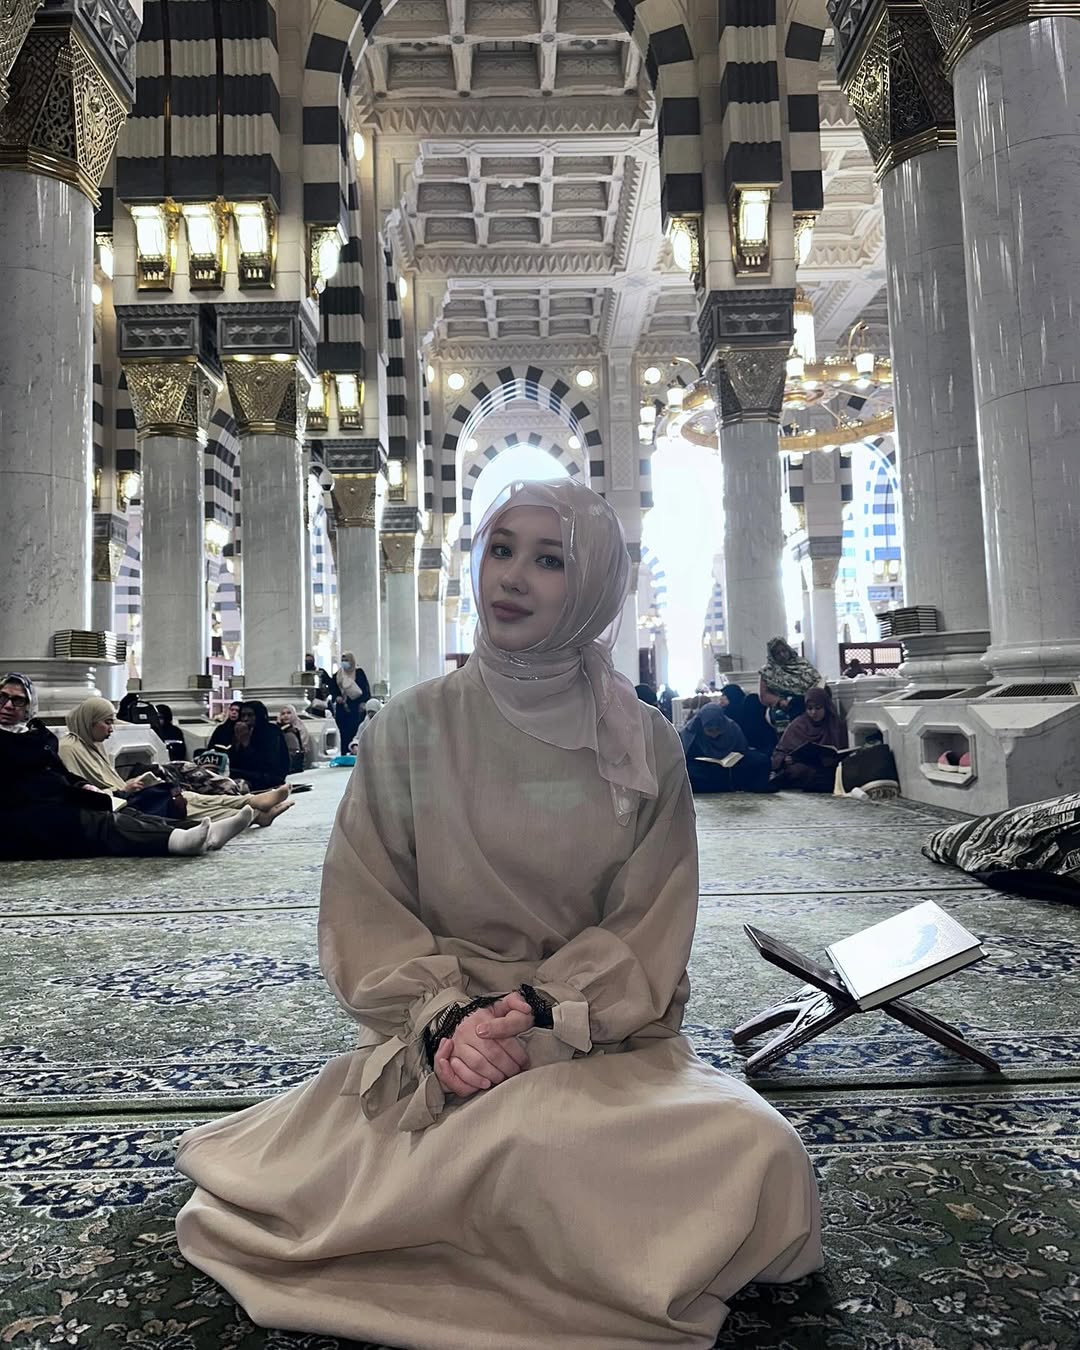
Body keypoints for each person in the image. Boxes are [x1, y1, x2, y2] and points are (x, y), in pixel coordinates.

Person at [174, 479, 821, 1349]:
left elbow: (648, 925)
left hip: (600, 1036)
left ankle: (462, 1207)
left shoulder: (645, 745)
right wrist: (453, 1023)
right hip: (441, 1038)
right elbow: (366, 906)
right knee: (535, 1148)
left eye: (550, 560)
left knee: (762, 1159)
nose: (513, 577)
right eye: (501, 549)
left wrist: (543, 1014)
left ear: (591, 585)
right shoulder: (409, 728)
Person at [1, 674, 244, 859]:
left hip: (58, 802)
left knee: (127, 812)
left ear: (28, 706)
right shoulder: (47, 741)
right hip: (23, 816)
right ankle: (179, 840)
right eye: (3, 697)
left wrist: (83, 785)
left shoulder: (38, 735)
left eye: (17, 700)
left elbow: (61, 774)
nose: (8, 705)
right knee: (104, 823)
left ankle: (200, 831)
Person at [57, 697, 290, 828]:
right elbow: (79, 794)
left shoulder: (91, 745)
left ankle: (252, 803)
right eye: (106, 722)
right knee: (185, 804)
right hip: (116, 804)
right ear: (90, 721)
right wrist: (122, 789)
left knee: (191, 798)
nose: (111, 729)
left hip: (124, 795)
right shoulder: (70, 749)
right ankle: (255, 811)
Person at [679, 702, 773, 793]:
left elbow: (743, 750)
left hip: (731, 768)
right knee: (687, 771)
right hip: (706, 770)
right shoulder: (692, 731)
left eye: (718, 729)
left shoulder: (732, 727)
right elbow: (685, 756)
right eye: (710, 730)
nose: (714, 735)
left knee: (761, 760)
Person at [770, 686, 850, 793]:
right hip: (803, 767)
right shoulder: (798, 725)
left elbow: (843, 752)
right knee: (800, 771)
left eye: (818, 708)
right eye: (809, 708)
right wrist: (784, 759)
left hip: (828, 767)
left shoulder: (836, 725)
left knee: (839, 773)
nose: (813, 712)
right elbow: (779, 753)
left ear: (826, 707)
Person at [758, 637, 822, 734]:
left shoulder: (803, 664)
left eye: (784, 651)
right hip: (785, 705)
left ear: (788, 649)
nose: (782, 655)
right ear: (773, 655)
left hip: (808, 700)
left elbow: (817, 680)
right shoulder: (768, 671)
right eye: (778, 653)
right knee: (794, 707)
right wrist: (779, 701)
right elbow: (764, 695)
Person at [226, 701, 291, 792]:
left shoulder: (271, 731)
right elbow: (235, 760)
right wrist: (237, 742)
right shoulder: (240, 730)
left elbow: (268, 762)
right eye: (243, 715)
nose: (245, 719)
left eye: (250, 715)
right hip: (248, 772)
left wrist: (245, 742)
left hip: (269, 775)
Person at [717, 681, 777, 753]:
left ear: (731, 695)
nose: (721, 698)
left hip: (762, 743)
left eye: (724, 695)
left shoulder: (750, 702)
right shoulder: (728, 712)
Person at [332, 652, 370, 749]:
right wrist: (336, 697)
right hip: (342, 709)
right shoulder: (338, 675)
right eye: (343, 660)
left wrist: (364, 702)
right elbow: (333, 690)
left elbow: (365, 689)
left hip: (356, 708)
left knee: (356, 731)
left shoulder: (359, 673)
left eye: (347, 660)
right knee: (343, 733)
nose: (344, 663)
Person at [278, 704, 315, 773]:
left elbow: (303, 747)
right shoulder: (279, 728)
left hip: (297, 761)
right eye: (283, 714)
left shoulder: (300, 728)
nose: (286, 716)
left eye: (289, 713)